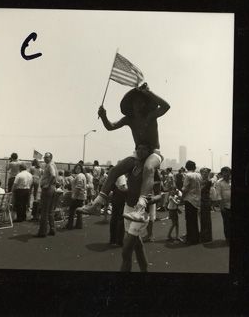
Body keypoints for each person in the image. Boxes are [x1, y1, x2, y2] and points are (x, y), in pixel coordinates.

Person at [79, 82, 170, 219]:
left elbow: (166, 106)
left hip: (153, 153)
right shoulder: (129, 119)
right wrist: (104, 116)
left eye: (140, 102)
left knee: (148, 167)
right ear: (131, 105)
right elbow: (111, 126)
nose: (137, 105)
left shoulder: (151, 115)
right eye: (134, 102)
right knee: (114, 170)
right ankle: (97, 203)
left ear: (145, 104)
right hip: (138, 153)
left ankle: (140, 208)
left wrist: (149, 92)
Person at [35, 152, 58, 237]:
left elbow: (53, 175)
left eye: (47, 157)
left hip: (48, 189)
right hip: (52, 189)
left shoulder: (50, 165)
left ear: (50, 158)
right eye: (44, 157)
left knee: (44, 211)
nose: (45, 158)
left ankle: (42, 232)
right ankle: (52, 229)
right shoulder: (53, 164)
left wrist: (47, 184)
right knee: (50, 211)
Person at [10, 160, 34, 225]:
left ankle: (19, 217)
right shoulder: (30, 175)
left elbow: (15, 184)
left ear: (20, 168)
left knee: (19, 204)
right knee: (24, 204)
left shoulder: (19, 175)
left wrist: (12, 191)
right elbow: (31, 183)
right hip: (27, 190)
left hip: (20, 190)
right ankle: (24, 216)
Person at [217, 167, 232, 242]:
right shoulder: (219, 183)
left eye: (227, 172)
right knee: (226, 223)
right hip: (225, 206)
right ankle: (228, 238)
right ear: (222, 174)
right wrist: (221, 207)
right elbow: (219, 195)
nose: (226, 174)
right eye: (224, 172)